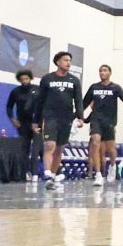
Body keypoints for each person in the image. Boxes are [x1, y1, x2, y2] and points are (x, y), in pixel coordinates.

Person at [82, 64, 123, 185]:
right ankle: (98, 174)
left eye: (105, 70)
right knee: (95, 141)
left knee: (111, 149)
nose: (102, 73)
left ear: (110, 73)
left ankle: (113, 166)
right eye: (100, 71)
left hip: (109, 121)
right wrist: (77, 116)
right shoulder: (94, 87)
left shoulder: (115, 88)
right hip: (96, 120)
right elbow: (84, 103)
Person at [35, 52, 84, 185]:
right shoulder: (47, 79)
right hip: (50, 117)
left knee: (59, 148)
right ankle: (47, 174)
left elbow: (78, 100)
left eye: (70, 61)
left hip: (66, 118)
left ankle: (53, 174)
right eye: (65, 60)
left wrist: (80, 117)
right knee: (49, 144)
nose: (68, 63)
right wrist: (36, 120)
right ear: (58, 62)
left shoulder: (74, 80)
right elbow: (40, 101)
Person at [6, 68, 40, 184]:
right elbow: (9, 107)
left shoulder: (37, 89)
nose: (25, 81)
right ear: (19, 80)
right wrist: (12, 119)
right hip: (23, 123)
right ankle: (24, 173)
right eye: (22, 79)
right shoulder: (16, 92)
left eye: (26, 79)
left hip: (36, 122)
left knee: (37, 149)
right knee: (24, 149)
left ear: (30, 78)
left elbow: (43, 105)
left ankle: (36, 173)